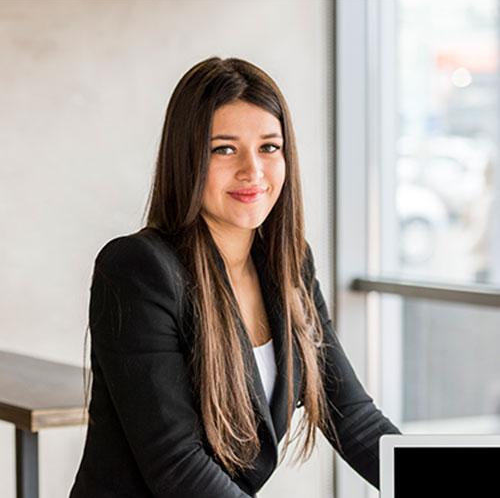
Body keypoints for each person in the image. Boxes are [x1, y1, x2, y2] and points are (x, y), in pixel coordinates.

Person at [70, 57, 399, 498]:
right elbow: (177, 464)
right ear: (187, 158)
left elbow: (352, 417)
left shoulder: (289, 264)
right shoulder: (138, 269)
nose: (253, 171)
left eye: (269, 147)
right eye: (224, 149)